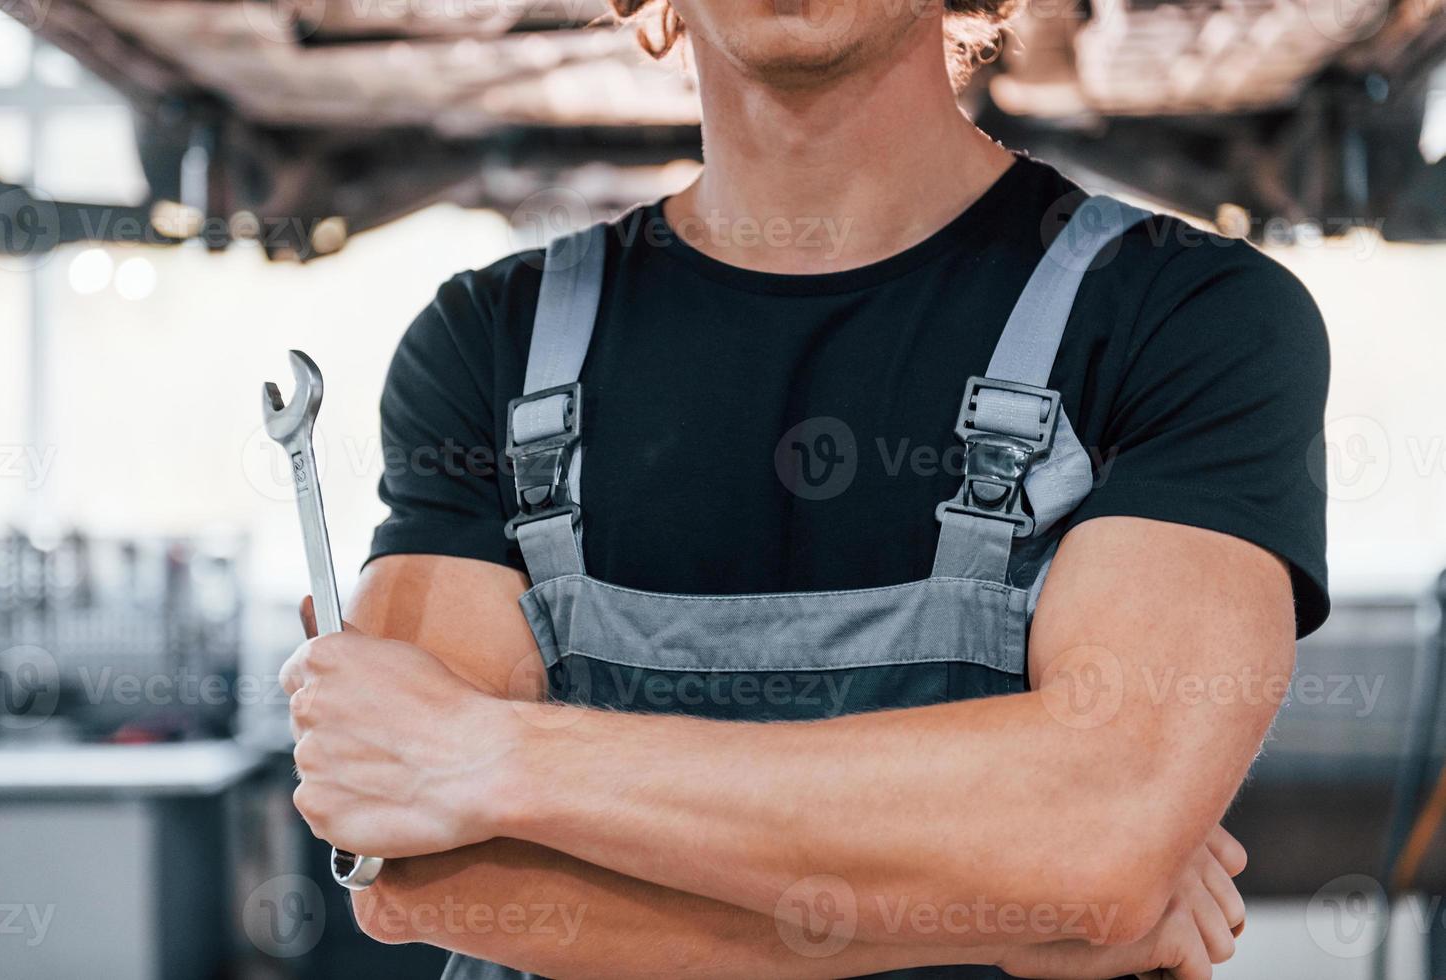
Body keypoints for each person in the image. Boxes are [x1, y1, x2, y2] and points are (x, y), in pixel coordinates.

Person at [278, 1, 1330, 976]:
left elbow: (1099, 824)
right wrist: (1008, 900)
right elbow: (421, 876)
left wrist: (490, 753)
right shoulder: (487, 345)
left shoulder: (1186, 319)